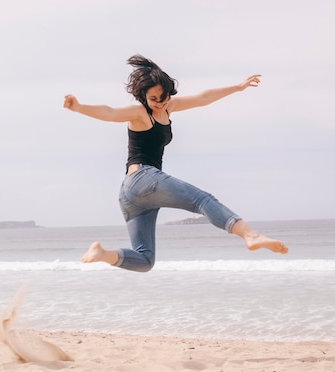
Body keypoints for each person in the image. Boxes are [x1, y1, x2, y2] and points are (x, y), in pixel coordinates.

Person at [63, 54, 288, 272]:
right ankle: (250, 235)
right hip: (143, 178)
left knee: (145, 260)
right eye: (154, 99)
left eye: (165, 98)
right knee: (202, 200)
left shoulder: (168, 107)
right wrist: (79, 107)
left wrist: (237, 87)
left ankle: (103, 254)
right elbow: (110, 112)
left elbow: (203, 98)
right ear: (143, 96)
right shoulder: (139, 112)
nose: (160, 104)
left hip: (131, 195)